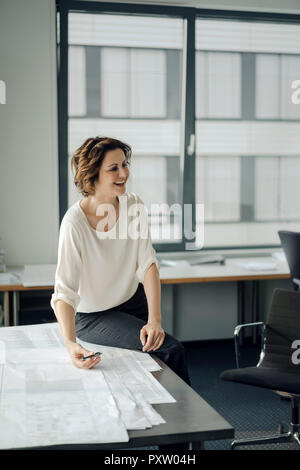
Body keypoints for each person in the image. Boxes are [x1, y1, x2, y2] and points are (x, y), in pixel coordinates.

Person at [51, 136, 190, 386]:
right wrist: (70, 343)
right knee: (171, 350)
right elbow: (64, 292)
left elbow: (147, 263)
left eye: (124, 165)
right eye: (113, 168)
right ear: (93, 174)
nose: (123, 173)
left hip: (131, 301)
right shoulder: (74, 223)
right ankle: (189, 422)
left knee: (157, 356)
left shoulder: (133, 205)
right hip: (94, 315)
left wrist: (155, 319)